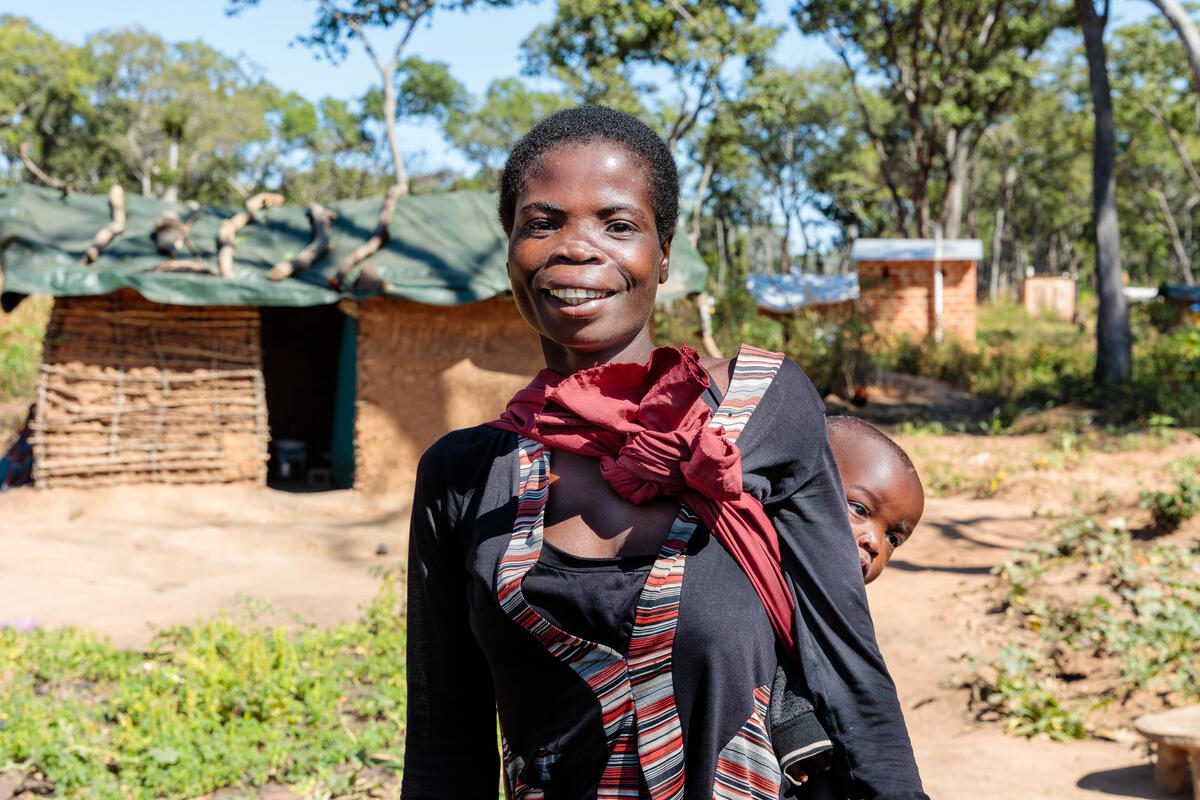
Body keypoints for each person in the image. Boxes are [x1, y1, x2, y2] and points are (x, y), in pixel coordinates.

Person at [401, 105, 928, 800]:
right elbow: (446, 742)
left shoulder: (764, 409)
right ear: (509, 251)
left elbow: (848, 668)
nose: (577, 248)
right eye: (543, 221)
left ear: (664, 253)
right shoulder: (464, 474)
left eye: (618, 224)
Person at [771, 415, 925, 794]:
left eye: (894, 537)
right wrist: (791, 717)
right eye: (859, 509)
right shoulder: (743, 571)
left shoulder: (842, 610)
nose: (874, 541)